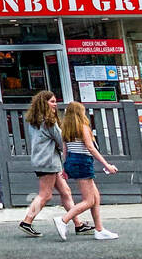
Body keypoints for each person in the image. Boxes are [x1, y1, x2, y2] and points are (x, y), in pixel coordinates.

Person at [18, 92, 91, 237]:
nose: (55, 104)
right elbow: (61, 138)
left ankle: (78, 224)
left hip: (42, 161)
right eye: (52, 101)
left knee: (66, 192)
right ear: (44, 103)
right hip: (49, 162)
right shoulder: (49, 122)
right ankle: (27, 221)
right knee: (45, 195)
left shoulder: (34, 122)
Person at [52, 101, 119, 240]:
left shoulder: (66, 129)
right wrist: (106, 165)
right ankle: (63, 220)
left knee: (96, 196)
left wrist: (65, 167)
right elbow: (90, 147)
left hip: (72, 161)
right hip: (83, 162)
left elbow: (65, 150)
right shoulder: (83, 127)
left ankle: (99, 229)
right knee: (89, 200)